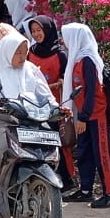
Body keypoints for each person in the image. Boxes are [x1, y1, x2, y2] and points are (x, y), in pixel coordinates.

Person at [0, 31, 55, 208]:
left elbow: (46, 95)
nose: (23, 56)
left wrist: (57, 107)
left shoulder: (31, 69)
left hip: (29, 120)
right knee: (3, 148)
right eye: (18, 52)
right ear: (7, 51)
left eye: (25, 51)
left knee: (50, 145)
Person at [61, 22, 110, 208]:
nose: (63, 41)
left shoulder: (88, 60)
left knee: (101, 153)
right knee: (84, 152)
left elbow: (93, 91)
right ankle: (85, 190)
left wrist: (84, 117)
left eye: (66, 37)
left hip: (96, 115)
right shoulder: (77, 59)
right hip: (85, 115)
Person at [25, 15, 78, 191]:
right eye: (33, 31)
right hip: (34, 105)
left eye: (39, 30)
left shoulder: (60, 54)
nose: (36, 34)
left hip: (55, 106)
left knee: (58, 142)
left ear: (47, 30)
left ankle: (66, 179)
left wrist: (56, 84)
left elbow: (66, 79)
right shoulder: (30, 52)